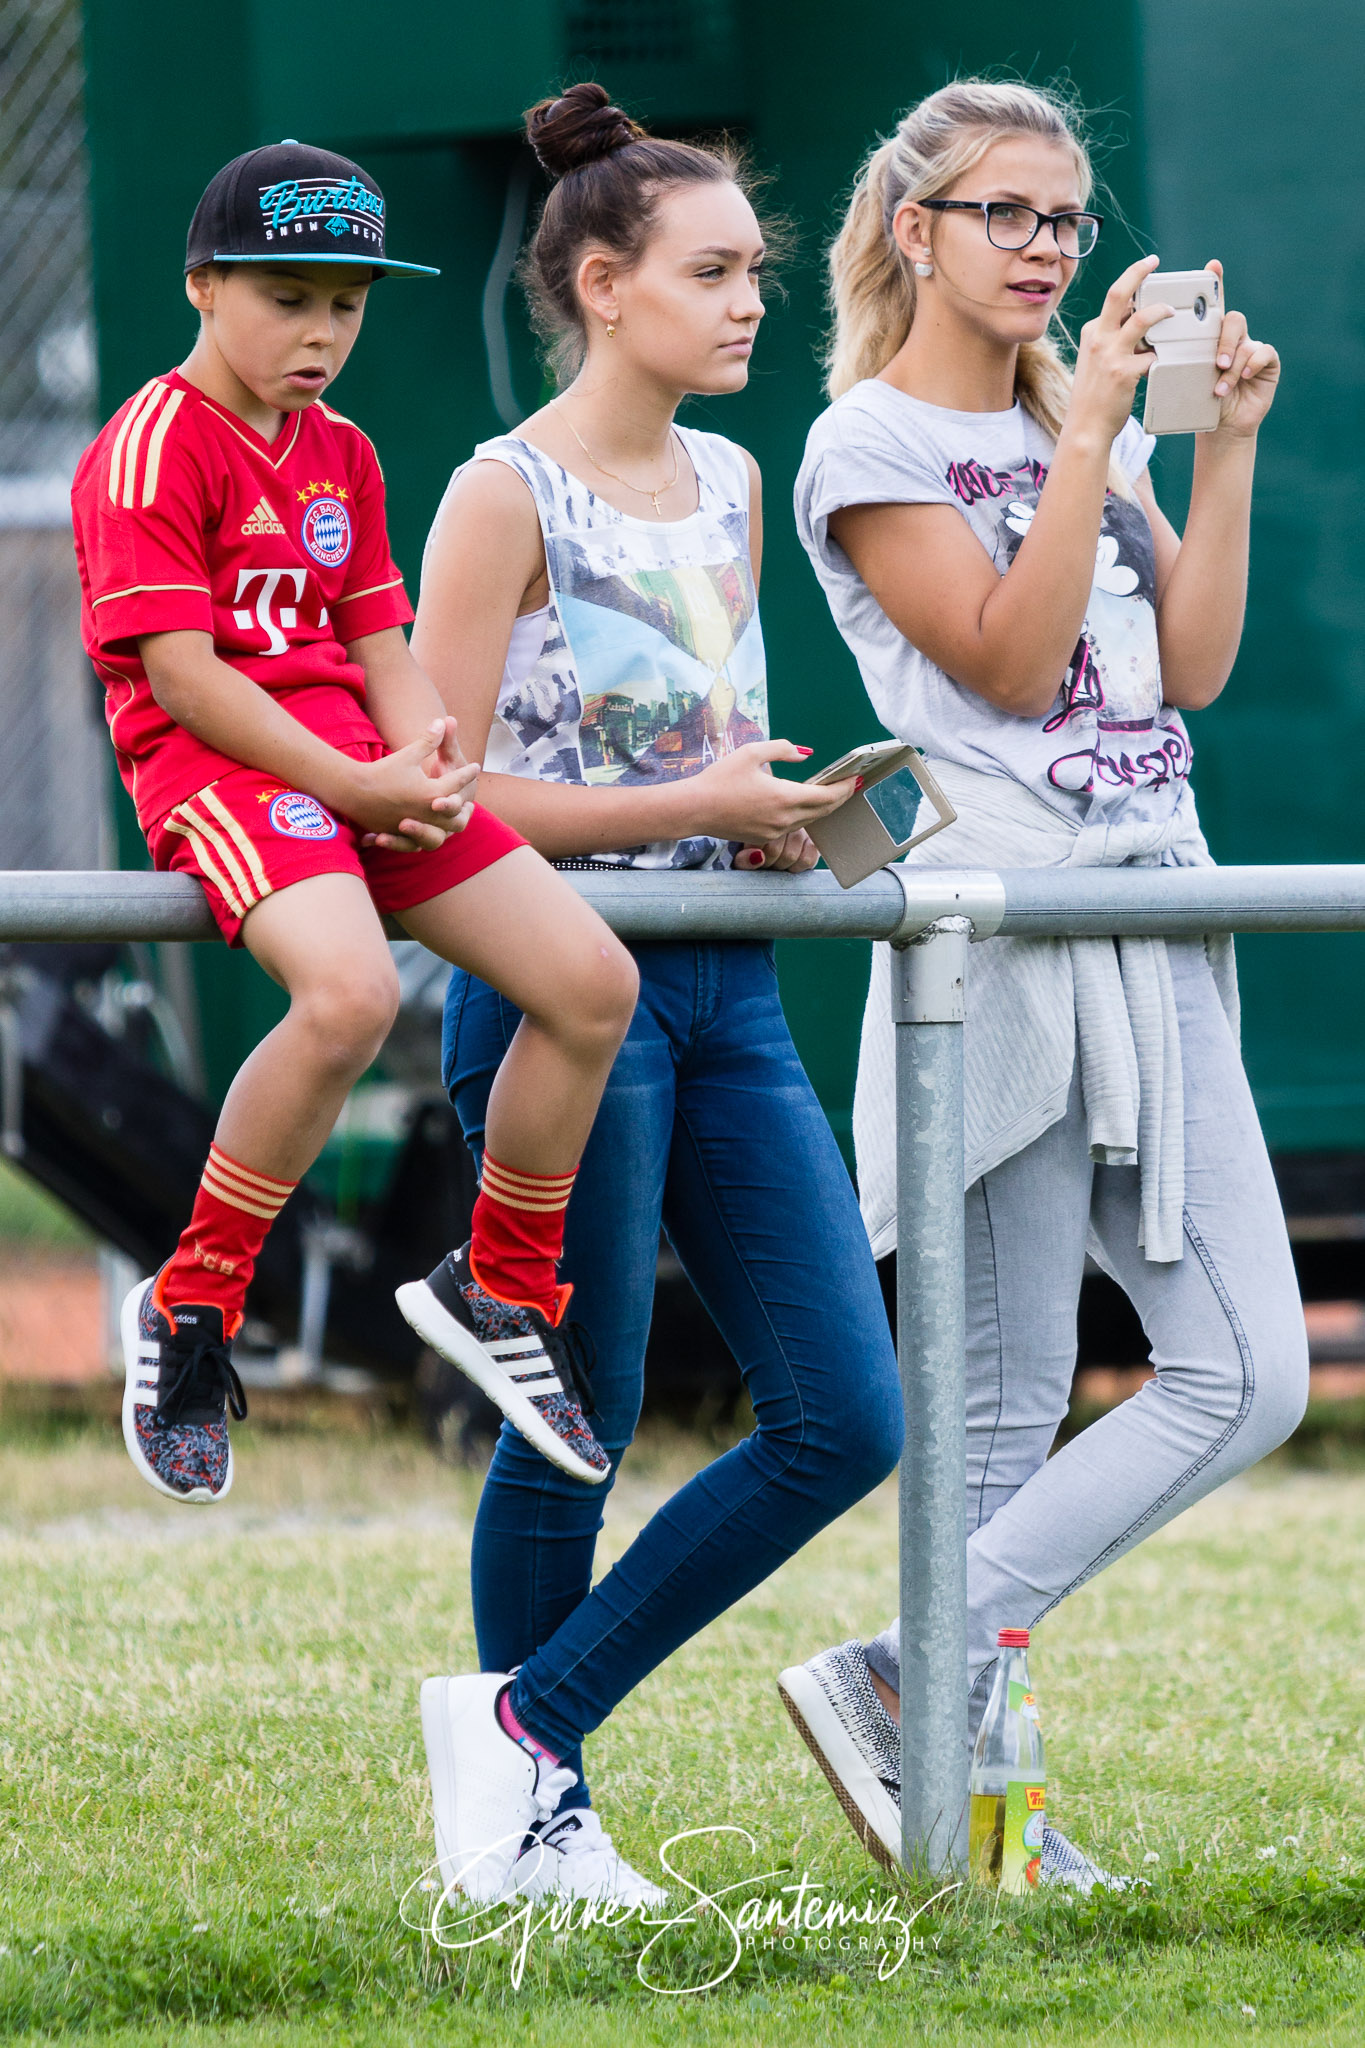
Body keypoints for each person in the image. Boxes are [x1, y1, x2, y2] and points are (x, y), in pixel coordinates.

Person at [781, 77, 1306, 1890]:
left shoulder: (1091, 433)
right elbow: (1007, 670)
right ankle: (956, 1783)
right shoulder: (864, 446)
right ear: (913, 228)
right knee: (1049, 1400)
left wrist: (1206, 446)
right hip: (997, 944)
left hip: (1144, 916)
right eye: (1006, 214)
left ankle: (934, 1726)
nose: (1044, 250)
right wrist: (1081, 428)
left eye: (1066, 220)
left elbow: (1197, 670)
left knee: (1230, 1373)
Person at [405, 83, 903, 1909]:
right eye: (712, 271)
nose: (752, 299)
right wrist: (696, 805)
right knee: (576, 1416)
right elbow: (446, 803)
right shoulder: (495, 490)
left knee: (848, 1418)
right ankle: (534, 1826)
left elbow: (690, 739)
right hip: (560, 1004)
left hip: (736, 989)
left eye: (756, 269)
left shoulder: (734, 478)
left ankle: (524, 1728)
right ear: (602, 284)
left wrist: (770, 811)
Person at [70, 140, 638, 1507]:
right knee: (345, 999)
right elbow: (184, 682)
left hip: (351, 769)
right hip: (222, 772)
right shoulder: (150, 446)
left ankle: (498, 1289)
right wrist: (356, 785)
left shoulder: (344, 451)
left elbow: (379, 639)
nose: (322, 331)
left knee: (590, 984)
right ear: (202, 285)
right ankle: (193, 1304)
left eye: (347, 302)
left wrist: (418, 751)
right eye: (287, 298)